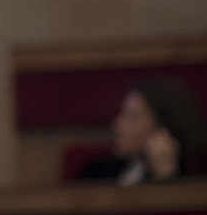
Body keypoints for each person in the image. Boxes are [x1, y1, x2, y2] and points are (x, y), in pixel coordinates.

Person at [76, 77, 207, 184]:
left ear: (163, 128)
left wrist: (166, 177)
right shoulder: (96, 173)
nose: (117, 125)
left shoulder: (195, 176)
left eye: (132, 117)